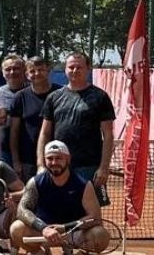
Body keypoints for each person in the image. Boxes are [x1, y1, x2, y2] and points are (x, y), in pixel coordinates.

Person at [9, 139, 110, 255]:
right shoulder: (35, 182)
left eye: (59, 158)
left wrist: (64, 228)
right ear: (44, 160)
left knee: (101, 234)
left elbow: (95, 217)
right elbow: (22, 210)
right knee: (16, 229)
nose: (54, 162)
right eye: (50, 158)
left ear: (67, 159)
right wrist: (44, 228)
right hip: (44, 233)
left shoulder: (84, 184)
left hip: (74, 233)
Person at [37, 52, 116, 193]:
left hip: (89, 166)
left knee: (91, 211)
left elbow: (108, 135)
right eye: (71, 67)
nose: (75, 71)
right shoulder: (54, 97)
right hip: (59, 166)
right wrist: (41, 164)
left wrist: (104, 168)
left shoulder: (100, 96)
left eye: (79, 67)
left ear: (88, 69)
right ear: (65, 70)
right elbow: (45, 133)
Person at [8, 55, 57, 182]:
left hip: (57, 159)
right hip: (27, 161)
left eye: (41, 69)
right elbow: (14, 132)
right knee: (30, 199)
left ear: (48, 70)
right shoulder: (20, 97)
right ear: (27, 74)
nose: (37, 73)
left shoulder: (60, 94)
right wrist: (16, 161)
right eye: (32, 71)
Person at [0, 55, 29, 164]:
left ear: (24, 70)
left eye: (16, 68)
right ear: (2, 72)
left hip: (30, 153)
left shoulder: (34, 92)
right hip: (3, 152)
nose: (12, 72)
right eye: (8, 69)